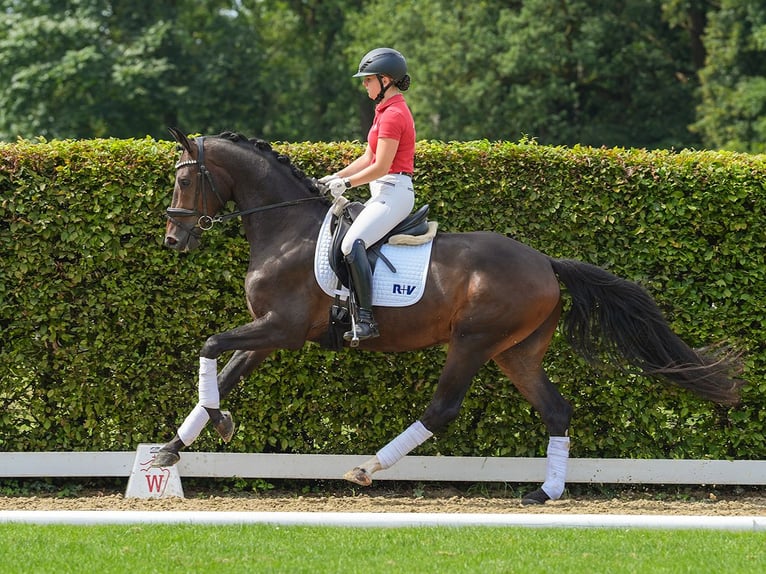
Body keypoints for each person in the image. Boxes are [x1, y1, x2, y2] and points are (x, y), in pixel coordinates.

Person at [320, 47, 416, 343]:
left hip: (394, 192)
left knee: (352, 244)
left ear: (385, 80)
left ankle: (366, 319)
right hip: (383, 191)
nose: (364, 85)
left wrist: (347, 185)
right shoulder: (383, 111)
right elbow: (367, 158)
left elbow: (381, 166)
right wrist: (335, 177)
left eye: (368, 79)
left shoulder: (394, 115)